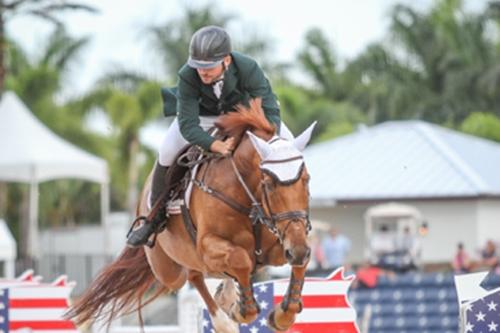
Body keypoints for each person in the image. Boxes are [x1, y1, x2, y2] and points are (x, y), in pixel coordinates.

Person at [127, 25, 293, 247]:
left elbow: (270, 108)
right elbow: (187, 124)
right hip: (202, 117)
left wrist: (268, 134)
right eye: (198, 66)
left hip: (240, 114)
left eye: (208, 67)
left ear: (226, 60)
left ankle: (294, 206)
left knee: (290, 142)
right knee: (166, 150)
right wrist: (214, 145)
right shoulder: (188, 75)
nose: (202, 72)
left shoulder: (248, 67)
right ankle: (153, 218)